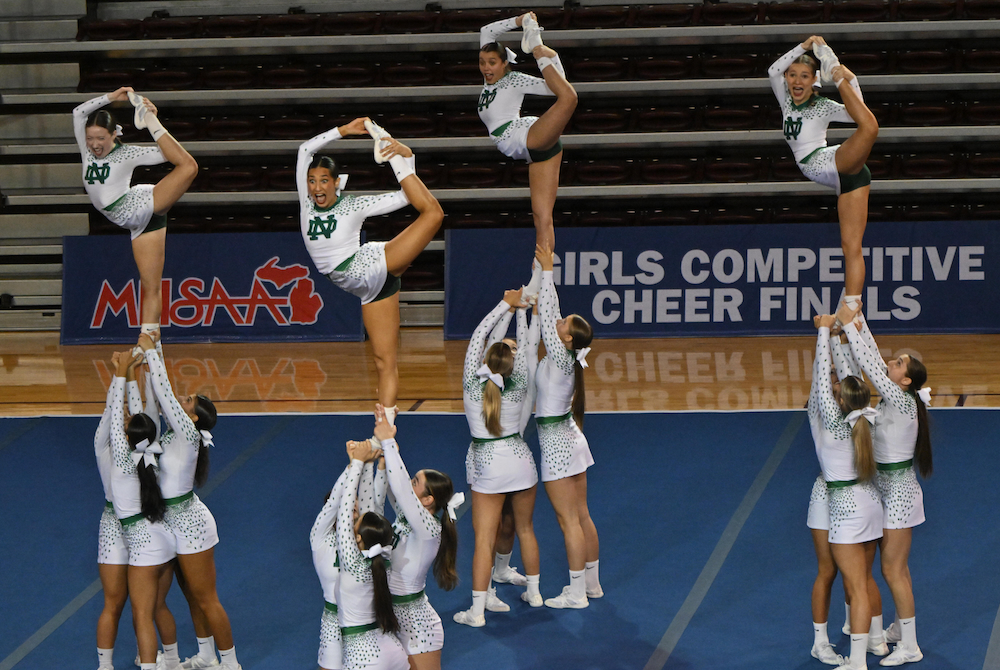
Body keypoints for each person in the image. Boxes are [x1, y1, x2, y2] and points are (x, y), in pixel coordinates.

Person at [296, 118, 444, 421]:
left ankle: (392, 146)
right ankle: (385, 431)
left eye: (324, 180)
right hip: (367, 287)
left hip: (370, 267)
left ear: (337, 182)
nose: (316, 187)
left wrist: (406, 160)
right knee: (383, 361)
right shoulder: (306, 205)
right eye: (312, 181)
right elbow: (305, 149)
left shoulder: (355, 206)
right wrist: (344, 131)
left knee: (432, 213)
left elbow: (407, 197)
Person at [137, 333, 241, 670]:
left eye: (189, 400)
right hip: (167, 522)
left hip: (191, 525)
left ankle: (231, 664)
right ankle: (206, 655)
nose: (183, 400)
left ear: (193, 417)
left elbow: (166, 395)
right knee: (185, 596)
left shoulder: (187, 433)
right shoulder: (173, 432)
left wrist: (154, 354)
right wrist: (152, 347)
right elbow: (156, 399)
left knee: (206, 598)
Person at [837, 305, 932, 666]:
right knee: (894, 570)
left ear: (905, 380)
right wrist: (861, 326)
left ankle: (910, 646)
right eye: (896, 361)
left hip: (899, 494)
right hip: (885, 489)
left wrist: (849, 327)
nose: (891, 364)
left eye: (899, 364)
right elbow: (877, 360)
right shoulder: (900, 398)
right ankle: (898, 630)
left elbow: (874, 368)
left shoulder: (904, 402)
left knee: (894, 571)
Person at [72, 87, 198, 336]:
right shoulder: (86, 151)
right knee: (151, 287)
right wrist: (112, 97)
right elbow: (78, 112)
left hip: (138, 208)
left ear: (113, 135)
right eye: (90, 138)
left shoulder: (127, 153)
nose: (95, 144)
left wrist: (153, 122)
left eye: (101, 138)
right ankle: (152, 347)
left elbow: (168, 154)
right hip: (137, 223)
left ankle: (149, 119)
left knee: (188, 166)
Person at [768, 37, 879, 312]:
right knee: (849, 245)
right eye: (792, 74)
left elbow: (858, 114)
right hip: (841, 175)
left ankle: (835, 70)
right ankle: (851, 308)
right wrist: (804, 47)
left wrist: (848, 82)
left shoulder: (823, 105)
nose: (796, 80)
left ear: (814, 80)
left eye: (804, 76)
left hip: (830, 161)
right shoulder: (784, 97)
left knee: (869, 127)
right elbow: (772, 70)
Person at [454, 290, 541, 627]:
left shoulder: (471, 385)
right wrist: (521, 312)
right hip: (520, 459)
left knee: (483, 540)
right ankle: (534, 592)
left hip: (487, 463)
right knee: (526, 529)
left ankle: (477, 612)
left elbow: (479, 336)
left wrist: (506, 305)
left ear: (485, 361)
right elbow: (525, 349)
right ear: (511, 364)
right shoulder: (519, 382)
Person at [478, 12, 578, 300]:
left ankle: (538, 46)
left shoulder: (515, 80)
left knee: (568, 98)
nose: (486, 67)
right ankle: (538, 281)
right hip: (535, 152)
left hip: (528, 136)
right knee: (542, 217)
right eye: (483, 63)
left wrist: (542, 52)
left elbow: (553, 86)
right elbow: (487, 29)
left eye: (492, 63)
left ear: (505, 63)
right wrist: (520, 20)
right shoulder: (489, 80)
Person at [809, 314, 882, 670]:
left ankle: (856, 658)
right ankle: (867, 639)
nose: (833, 384)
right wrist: (840, 340)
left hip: (843, 503)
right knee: (856, 579)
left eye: (838, 385)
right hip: (867, 500)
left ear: (839, 397)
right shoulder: (866, 419)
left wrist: (824, 331)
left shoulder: (836, 421)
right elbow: (845, 380)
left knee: (854, 583)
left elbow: (821, 380)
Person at [532, 244, 602, 608]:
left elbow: (547, 314)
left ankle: (576, 593)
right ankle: (592, 583)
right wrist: (546, 272)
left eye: (564, 325)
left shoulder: (560, 355)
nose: (558, 323)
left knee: (568, 521)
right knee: (583, 515)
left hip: (559, 444)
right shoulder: (567, 354)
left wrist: (547, 270)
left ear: (568, 338)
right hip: (572, 439)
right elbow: (551, 312)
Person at [371, 405, 460, 670]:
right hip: (391, 617)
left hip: (418, 626)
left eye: (415, 482)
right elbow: (392, 487)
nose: (409, 484)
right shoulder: (407, 518)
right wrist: (387, 440)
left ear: (428, 500)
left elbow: (401, 490)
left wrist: (388, 441)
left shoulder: (429, 530)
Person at [107, 350, 176, 670]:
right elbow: (139, 419)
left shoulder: (122, 462)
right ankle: (172, 661)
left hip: (143, 549)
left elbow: (114, 411)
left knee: (142, 617)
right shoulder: (153, 455)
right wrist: (130, 372)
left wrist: (121, 373)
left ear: (127, 436)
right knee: (160, 606)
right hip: (166, 540)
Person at [336, 440, 409, 670]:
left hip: (363, 657)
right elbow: (371, 511)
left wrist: (357, 462)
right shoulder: (383, 560)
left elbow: (344, 508)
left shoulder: (352, 563)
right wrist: (368, 464)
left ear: (358, 538)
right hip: (393, 650)